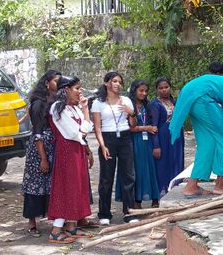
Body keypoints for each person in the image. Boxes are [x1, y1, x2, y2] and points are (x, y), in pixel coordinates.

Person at [47, 76, 93, 243]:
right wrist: (84, 127)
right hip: (67, 152)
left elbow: (86, 129)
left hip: (76, 151)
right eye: (76, 88)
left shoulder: (73, 108)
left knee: (77, 187)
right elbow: (76, 133)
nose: (79, 92)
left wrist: (85, 109)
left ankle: (72, 228)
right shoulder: (57, 109)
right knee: (66, 188)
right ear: (66, 89)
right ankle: (56, 231)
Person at [90, 71, 138, 225]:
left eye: (120, 82)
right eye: (114, 81)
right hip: (107, 138)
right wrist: (102, 145)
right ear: (106, 83)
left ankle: (129, 212)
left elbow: (133, 125)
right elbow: (97, 127)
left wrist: (131, 113)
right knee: (106, 177)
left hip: (125, 138)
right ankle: (104, 213)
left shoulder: (126, 100)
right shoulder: (98, 102)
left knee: (129, 176)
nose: (118, 84)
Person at [21, 69, 61, 237]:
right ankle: (32, 223)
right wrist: (43, 158)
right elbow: (37, 132)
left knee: (52, 184)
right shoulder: (38, 103)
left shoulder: (59, 100)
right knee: (35, 185)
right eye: (56, 81)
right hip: (39, 148)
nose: (58, 84)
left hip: (53, 145)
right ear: (47, 83)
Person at [122, 79, 160, 208]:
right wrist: (146, 128)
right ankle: (136, 200)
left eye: (146, 91)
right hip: (133, 141)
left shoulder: (146, 106)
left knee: (148, 169)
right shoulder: (129, 106)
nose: (144, 93)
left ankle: (153, 198)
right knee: (136, 170)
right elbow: (130, 127)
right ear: (134, 91)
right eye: (141, 90)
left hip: (146, 142)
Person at [150, 77, 185, 198]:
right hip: (163, 138)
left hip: (177, 137)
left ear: (170, 88)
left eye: (166, 87)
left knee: (176, 162)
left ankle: (176, 190)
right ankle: (162, 193)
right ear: (157, 90)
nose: (164, 90)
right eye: (161, 88)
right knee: (163, 165)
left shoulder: (175, 102)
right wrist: (156, 145)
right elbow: (154, 126)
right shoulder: (155, 105)